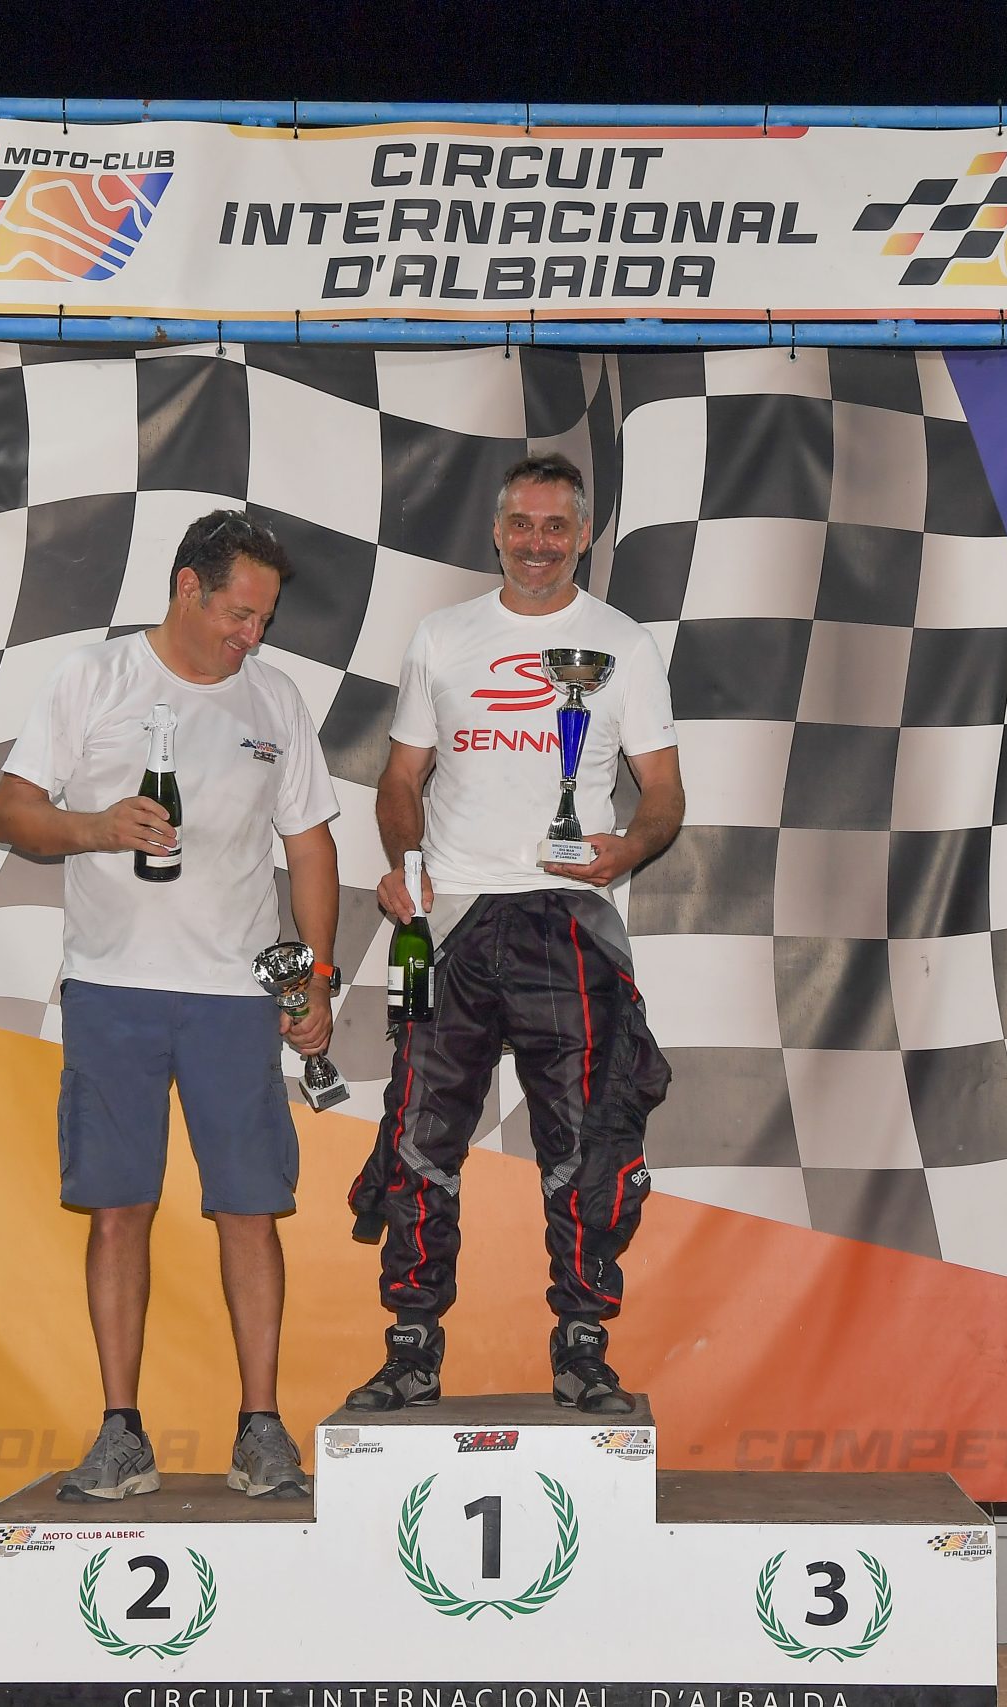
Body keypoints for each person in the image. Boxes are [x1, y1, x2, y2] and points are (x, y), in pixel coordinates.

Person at [0, 510, 340, 1500]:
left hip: (236, 994)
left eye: (263, 619)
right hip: (113, 987)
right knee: (117, 1210)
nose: (251, 636)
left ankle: (262, 1429)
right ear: (188, 587)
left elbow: (310, 845)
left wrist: (317, 976)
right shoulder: (93, 678)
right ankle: (121, 1431)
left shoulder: (275, 698)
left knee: (251, 1210)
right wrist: (98, 827)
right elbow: (9, 812)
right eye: (238, 614)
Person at [346, 452, 683, 1415]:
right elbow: (400, 778)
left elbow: (664, 794)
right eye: (523, 524)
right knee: (419, 1135)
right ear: (496, 532)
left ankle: (582, 1348)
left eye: (556, 526)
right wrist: (409, 866)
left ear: (582, 537)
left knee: (588, 1140)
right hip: (449, 918)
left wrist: (628, 848)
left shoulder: (623, 644)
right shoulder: (442, 636)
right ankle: (412, 1348)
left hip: (568, 919)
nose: (538, 543)